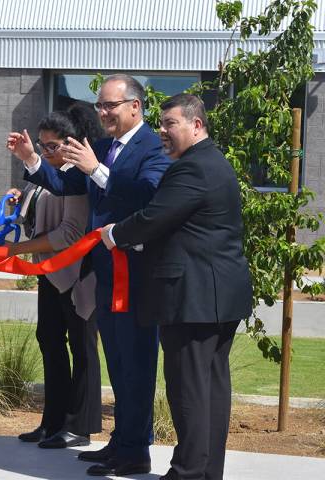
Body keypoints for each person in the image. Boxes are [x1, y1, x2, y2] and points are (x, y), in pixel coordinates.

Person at [7, 74, 171, 476]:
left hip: (136, 274)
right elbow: (64, 185)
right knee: (116, 359)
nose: (102, 112)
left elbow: (147, 196)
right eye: (99, 105)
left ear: (136, 106)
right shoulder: (100, 146)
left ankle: (136, 450)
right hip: (104, 273)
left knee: (137, 361)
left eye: (109, 105)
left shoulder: (154, 147)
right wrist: (32, 159)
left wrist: (98, 170)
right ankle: (121, 442)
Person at [101, 93, 253, 480]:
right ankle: (204, 472)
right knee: (210, 390)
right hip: (216, 296)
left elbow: (154, 216)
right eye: (161, 124)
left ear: (196, 125)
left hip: (193, 297)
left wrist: (116, 233)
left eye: (170, 124)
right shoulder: (212, 162)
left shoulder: (192, 168)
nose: (162, 132)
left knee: (188, 390)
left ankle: (187, 472)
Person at [10, 103, 103, 449]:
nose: (45, 151)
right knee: (50, 342)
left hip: (78, 277)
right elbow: (34, 218)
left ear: (71, 142)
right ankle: (52, 422)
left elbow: (70, 233)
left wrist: (19, 251)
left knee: (83, 348)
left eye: (52, 146)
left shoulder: (77, 176)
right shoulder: (44, 177)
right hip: (49, 274)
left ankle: (80, 426)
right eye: (41, 145)